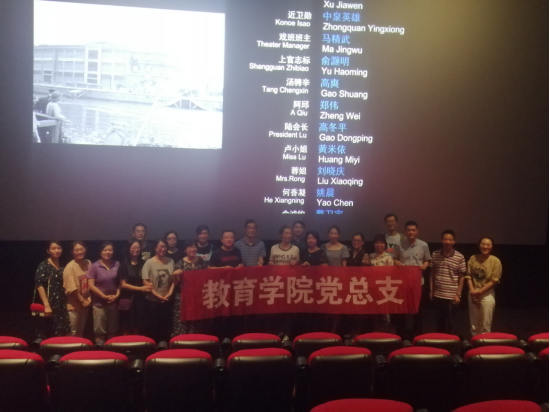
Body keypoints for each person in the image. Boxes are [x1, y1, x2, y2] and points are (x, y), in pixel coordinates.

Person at [394, 221, 431, 337]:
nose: (411, 232)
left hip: (417, 282)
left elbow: (427, 260)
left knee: (417, 309)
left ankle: (417, 334)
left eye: (413, 230)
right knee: (402, 308)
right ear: (405, 232)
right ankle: (402, 334)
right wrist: (396, 262)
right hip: (403, 282)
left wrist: (425, 265)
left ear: (417, 231)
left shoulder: (424, 245)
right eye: (408, 230)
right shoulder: (399, 245)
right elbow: (395, 258)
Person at [429, 230, 467, 334]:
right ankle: (440, 342)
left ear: (454, 241)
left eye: (450, 239)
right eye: (445, 239)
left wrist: (458, 294)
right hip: (438, 295)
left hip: (452, 296)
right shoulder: (435, 254)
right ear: (441, 240)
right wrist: (431, 290)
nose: (448, 242)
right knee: (439, 323)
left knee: (451, 324)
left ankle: (451, 343)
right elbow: (432, 274)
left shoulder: (460, 256)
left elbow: (462, 277)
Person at [465, 237, 502, 337]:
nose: (485, 247)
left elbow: (494, 280)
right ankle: (474, 342)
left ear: (492, 247)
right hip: (473, 291)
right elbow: (468, 276)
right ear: (479, 245)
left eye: (488, 245)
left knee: (485, 323)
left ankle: (484, 343)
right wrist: (473, 292)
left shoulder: (495, 261)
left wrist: (479, 292)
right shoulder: (473, 258)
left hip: (487, 293)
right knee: (474, 324)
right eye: (483, 244)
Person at [34, 241, 71, 338]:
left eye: (59, 248)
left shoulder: (63, 265)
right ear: (48, 250)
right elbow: (39, 285)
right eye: (53, 248)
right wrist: (46, 305)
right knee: (49, 332)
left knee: (62, 331)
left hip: (62, 303)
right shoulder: (44, 265)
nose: (56, 251)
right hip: (50, 302)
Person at [172, 240, 209, 336]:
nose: (193, 249)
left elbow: (207, 277)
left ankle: (196, 339)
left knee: (196, 319)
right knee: (183, 319)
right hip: (183, 297)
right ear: (185, 250)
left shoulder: (201, 262)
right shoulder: (180, 263)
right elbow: (176, 283)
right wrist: (175, 275)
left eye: (194, 247)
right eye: (190, 247)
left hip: (198, 296)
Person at [142, 239, 175, 342]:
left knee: (166, 326)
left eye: (165, 246)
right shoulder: (149, 262)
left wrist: (170, 293)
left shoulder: (171, 261)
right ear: (155, 248)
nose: (163, 249)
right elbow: (146, 281)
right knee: (153, 327)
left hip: (168, 299)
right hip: (153, 301)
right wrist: (158, 295)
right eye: (160, 246)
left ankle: (165, 347)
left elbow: (174, 280)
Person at [88, 242, 121, 344]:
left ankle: (111, 352)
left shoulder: (117, 264)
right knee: (99, 333)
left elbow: (120, 283)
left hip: (113, 303)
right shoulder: (94, 266)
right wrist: (104, 296)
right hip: (99, 304)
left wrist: (117, 295)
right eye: (105, 250)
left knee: (112, 331)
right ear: (100, 251)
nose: (107, 252)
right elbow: (91, 285)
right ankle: (100, 351)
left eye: (110, 250)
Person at [118, 240, 152, 335]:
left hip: (140, 300)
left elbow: (146, 279)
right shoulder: (124, 264)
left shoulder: (143, 263)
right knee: (126, 326)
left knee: (138, 326)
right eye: (133, 247)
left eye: (138, 247)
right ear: (128, 249)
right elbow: (123, 284)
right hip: (128, 299)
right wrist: (140, 289)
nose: (136, 249)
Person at [63, 241, 92, 337]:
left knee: (80, 331)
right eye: (76, 250)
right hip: (73, 306)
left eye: (81, 249)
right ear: (72, 252)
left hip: (85, 304)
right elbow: (71, 289)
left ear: (85, 250)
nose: (79, 252)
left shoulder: (88, 263)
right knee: (72, 332)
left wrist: (89, 297)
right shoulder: (70, 267)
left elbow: (91, 281)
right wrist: (82, 301)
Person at [370, 235, 395, 333]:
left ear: (385, 244)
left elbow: (391, 273)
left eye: (381, 243)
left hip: (384, 288)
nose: (379, 245)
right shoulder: (370, 256)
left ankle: (385, 332)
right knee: (374, 310)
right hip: (372, 287)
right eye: (377, 243)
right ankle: (376, 331)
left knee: (385, 312)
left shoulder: (388, 257)